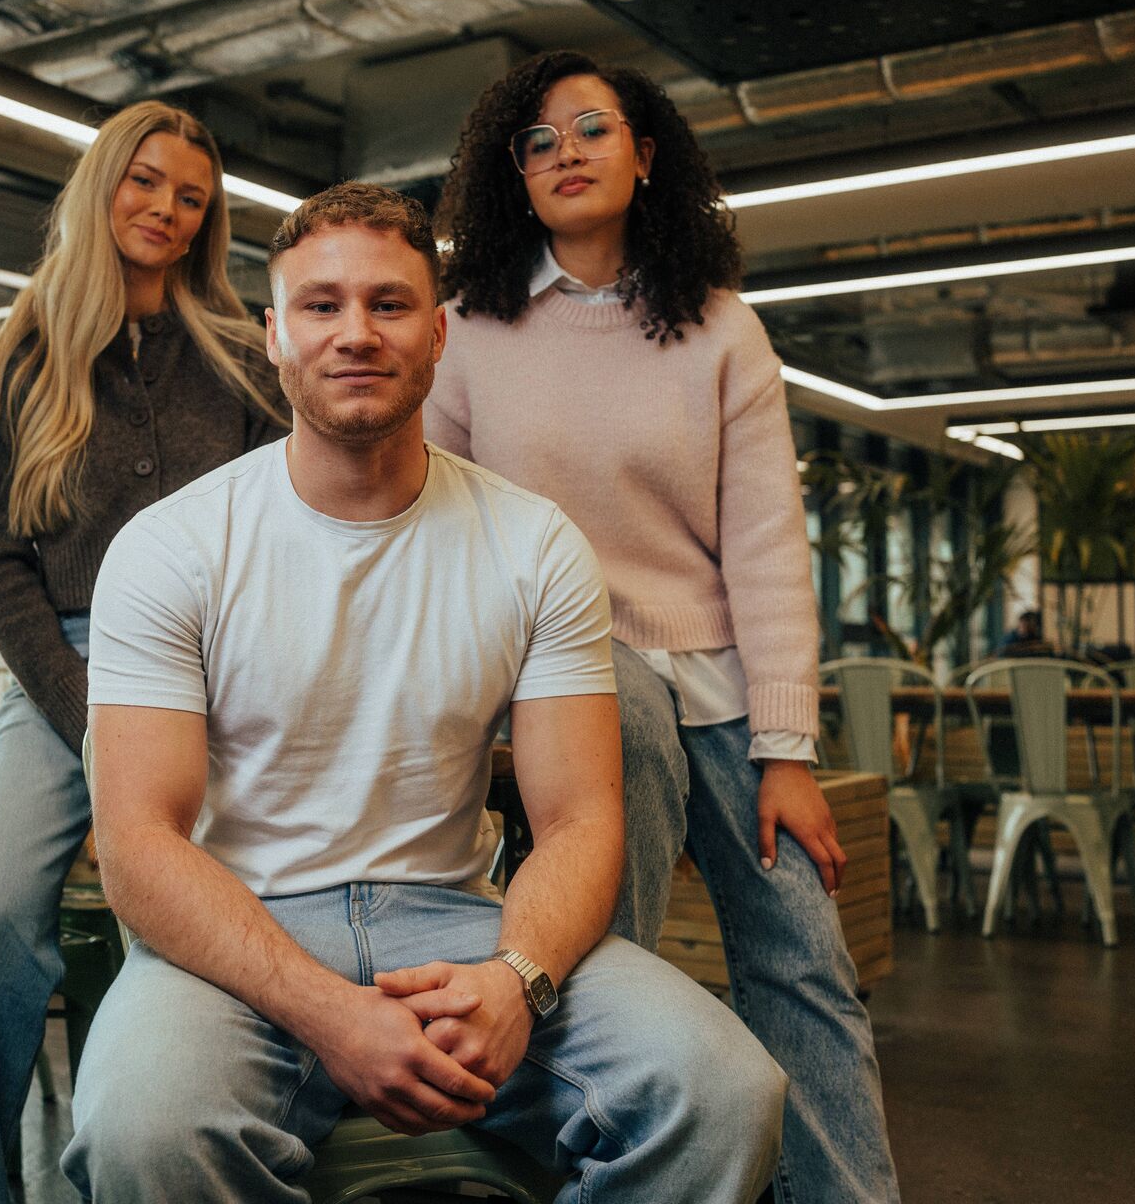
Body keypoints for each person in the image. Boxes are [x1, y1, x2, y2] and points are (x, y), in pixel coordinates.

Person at [64, 182, 786, 1202]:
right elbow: (139, 845)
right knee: (146, 1132)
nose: (355, 332)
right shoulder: (172, 547)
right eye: (320, 306)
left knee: (724, 1090)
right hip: (244, 931)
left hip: (456, 922)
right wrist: (327, 1010)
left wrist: (518, 979)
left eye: (390, 304)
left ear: (439, 332)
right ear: (274, 335)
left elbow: (580, 818)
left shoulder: (533, 543)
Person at [428, 50, 900, 1203]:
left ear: (646, 156)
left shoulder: (722, 330)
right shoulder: (468, 332)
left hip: (723, 685)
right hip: (565, 673)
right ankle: (606, 1164)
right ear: (514, 179)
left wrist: (787, 754)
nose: (565, 154)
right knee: (602, 950)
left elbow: (767, 551)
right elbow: (435, 529)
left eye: (591, 130)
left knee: (807, 964)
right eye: (536, 142)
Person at [0, 99, 285, 1202]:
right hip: (61, 672)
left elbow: (285, 528)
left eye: (190, 196)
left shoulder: (240, 354)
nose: (166, 210)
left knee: (183, 921)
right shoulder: (27, 352)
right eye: (146, 182)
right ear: (101, 187)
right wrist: (85, 710)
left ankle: (146, 1166)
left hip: (215, 671)